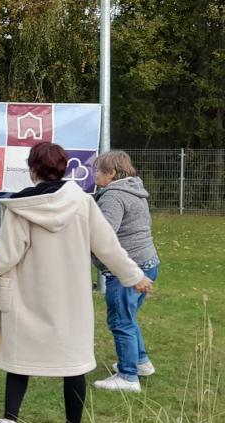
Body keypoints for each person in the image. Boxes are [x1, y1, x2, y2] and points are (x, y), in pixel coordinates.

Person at [0, 143, 153, 423]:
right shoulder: (82, 202)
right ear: (64, 168)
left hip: (27, 297)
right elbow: (108, 246)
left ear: (33, 169)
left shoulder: (20, 207)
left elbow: (6, 257)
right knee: (74, 365)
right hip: (72, 300)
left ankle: (9, 420)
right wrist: (134, 276)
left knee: (19, 359)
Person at [91, 150, 161, 393]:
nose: (94, 175)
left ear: (111, 173)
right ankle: (140, 363)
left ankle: (128, 377)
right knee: (128, 318)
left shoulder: (113, 196)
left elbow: (104, 236)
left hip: (128, 270)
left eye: (98, 171)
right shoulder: (134, 190)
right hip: (148, 263)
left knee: (121, 321)